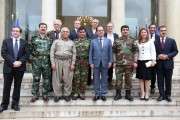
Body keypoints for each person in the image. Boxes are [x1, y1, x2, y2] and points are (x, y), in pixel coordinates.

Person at [0, 26, 28, 112]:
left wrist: (19, 62)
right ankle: (4, 105)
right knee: (6, 87)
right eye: (13, 31)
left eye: (17, 31)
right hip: (8, 67)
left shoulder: (24, 42)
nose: (15, 32)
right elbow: (3, 53)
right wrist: (13, 62)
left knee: (17, 86)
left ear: (20, 33)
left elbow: (27, 54)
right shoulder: (6, 41)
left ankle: (15, 104)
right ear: (11, 32)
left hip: (20, 68)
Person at [50, 27, 76, 102]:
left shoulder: (72, 42)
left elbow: (74, 53)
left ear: (69, 33)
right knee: (56, 78)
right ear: (61, 33)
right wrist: (53, 63)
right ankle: (57, 95)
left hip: (68, 61)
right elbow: (51, 52)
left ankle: (66, 95)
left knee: (68, 79)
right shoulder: (56, 42)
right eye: (63, 31)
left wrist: (73, 64)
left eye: (67, 32)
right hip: (57, 61)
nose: (65, 33)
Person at [113, 25, 138, 101]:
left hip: (129, 64)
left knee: (128, 80)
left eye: (127, 29)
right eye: (124, 30)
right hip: (119, 64)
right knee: (118, 79)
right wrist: (114, 61)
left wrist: (135, 61)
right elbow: (113, 52)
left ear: (128, 31)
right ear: (121, 31)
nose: (125, 31)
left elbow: (136, 51)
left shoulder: (132, 40)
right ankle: (118, 94)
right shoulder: (117, 40)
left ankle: (128, 94)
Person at [29, 23, 52, 102]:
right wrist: (31, 60)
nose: (43, 28)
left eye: (44, 27)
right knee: (36, 78)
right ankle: (35, 94)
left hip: (46, 62)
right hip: (36, 62)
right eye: (41, 27)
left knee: (46, 79)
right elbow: (29, 49)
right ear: (39, 28)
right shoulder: (33, 38)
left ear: (46, 29)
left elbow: (51, 51)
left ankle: (45, 94)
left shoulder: (49, 39)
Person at [154, 25, 178, 102]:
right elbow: (153, 52)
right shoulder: (155, 41)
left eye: (164, 30)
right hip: (159, 65)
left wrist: (168, 56)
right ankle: (161, 95)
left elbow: (175, 51)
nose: (163, 32)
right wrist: (158, 56)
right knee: (160, 81)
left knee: (168, 81)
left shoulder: (172, 40)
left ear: (166, 31)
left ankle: (168, 95)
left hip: (169, 65)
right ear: (159, 31)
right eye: (161, 30)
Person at [89, 25, 112, 101]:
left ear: (104, 31)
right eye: (99, 30)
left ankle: (103, 94)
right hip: (95, 63)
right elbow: (90, 53)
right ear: (96, 32)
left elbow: (110, 52)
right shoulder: (93, 41)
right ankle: (97, 94)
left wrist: (110, 61)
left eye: (102, 30)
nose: (100, 32)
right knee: (96, 79)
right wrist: (91, 62)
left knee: (104, 78)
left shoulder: (108, 41)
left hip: (105, 62)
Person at [136, 28, 156, 101]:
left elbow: (153, 51)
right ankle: (142, 93)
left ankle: (147, 93)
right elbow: (136, 52)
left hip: (147, 62)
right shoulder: (137, 42)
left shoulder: (150, 42)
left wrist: (153, 61)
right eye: (142, 32)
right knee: (141, 79)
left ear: (147, 33)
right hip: (140, 62)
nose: (143, 33)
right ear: (140, 34)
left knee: (147, 79)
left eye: (145, 32)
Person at [71, 27, 90, 100]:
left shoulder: (89, 41)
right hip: (76, 62)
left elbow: (91, 53)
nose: (82, 33)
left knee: (84, 78)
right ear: (78, 33)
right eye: (80, 32)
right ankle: (75, 93)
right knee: (76, 78)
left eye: (83, 32)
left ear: (85, 33)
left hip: (85, 62)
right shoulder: (74, 41)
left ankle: (82, 93)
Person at [47, 19, 62, 92]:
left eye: (58, 24)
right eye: (55, 24)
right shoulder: (49, 33)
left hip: (61, 57)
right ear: (53, 25)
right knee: (51, 72)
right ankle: (51, 87)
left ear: (60, 25)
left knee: (60, 73)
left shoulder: (64, 33)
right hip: (51, 56)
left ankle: (59, 88)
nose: (56, 25)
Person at [104, 22, 119, 89]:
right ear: (106, 28)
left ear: (113, 27)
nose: (110, 28)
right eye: (108, 26)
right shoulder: (104, 35)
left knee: (111, 69)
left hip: (114, 54)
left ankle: (110, 82)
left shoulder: (116, 35)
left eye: (111, 26)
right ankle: (105, 82)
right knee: (106, 69)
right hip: (105, 55)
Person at [148, 24, 159, 94]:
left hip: (155, 59)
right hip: (146, 58)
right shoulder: (145, 36)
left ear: (156, 29)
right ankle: (145, 87)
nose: (152, 29)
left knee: (153, 73)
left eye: (154, 28)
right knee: (146, 73)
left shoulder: (158, 37)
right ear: (149, 29)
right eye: (151, 28)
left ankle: (152, 87)